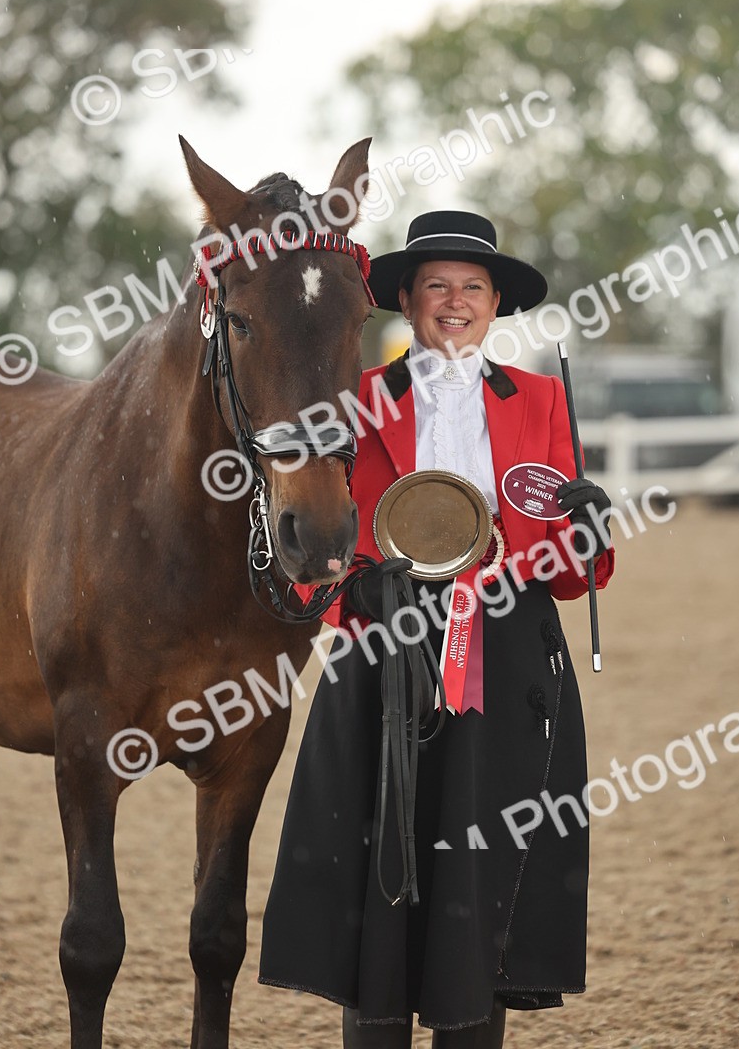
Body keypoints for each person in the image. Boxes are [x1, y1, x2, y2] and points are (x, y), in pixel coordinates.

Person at [259, 211, 616, 1047]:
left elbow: (574, 578)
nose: (454, 302)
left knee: (482, 874)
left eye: (472, 288)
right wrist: (360, 594)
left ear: (495, 304)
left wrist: (592, 531)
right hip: (385, 650)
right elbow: (315, 550)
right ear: (408, 301)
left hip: (507, 657)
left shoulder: (544, 401)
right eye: (436, 287)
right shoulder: (353, 403)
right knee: (379, 876)